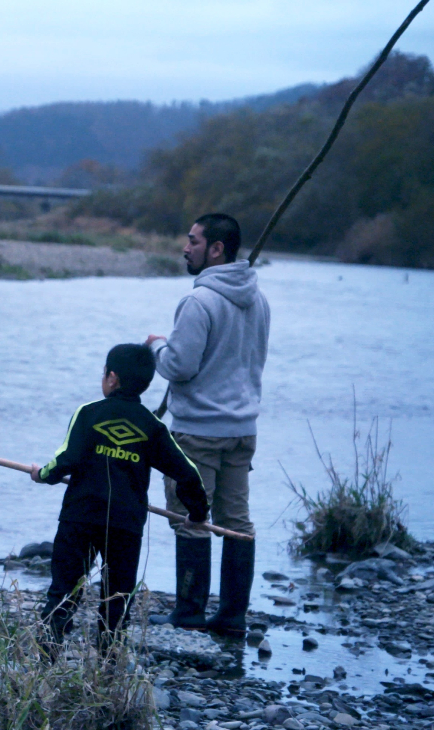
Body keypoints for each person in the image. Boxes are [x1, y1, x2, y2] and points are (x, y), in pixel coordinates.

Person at [29, 344, 209, 647]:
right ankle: (109, 668)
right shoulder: (152, 427)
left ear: (112, 378)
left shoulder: (88, 414)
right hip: (126, 525)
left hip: (80, 517)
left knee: (63, 590)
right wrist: (198, 514)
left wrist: (42, 475)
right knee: (117, 599)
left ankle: (47, 659)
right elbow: (188, 473)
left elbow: (66, 460)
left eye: (104, 373)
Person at [145, 213, 270, 635]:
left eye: (193, 241)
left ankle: (190, 612)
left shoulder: (198, 302)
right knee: (237, 521)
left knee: (190, 517)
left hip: (198, 431)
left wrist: (156, 346)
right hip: (242, 429)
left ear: (216, 249)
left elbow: (179, 367)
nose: (185, 247)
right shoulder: (259, 300)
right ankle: (232, 617)